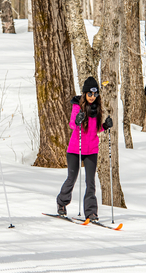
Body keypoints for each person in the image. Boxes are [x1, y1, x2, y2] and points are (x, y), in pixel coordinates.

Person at [56, 76, 113, 221]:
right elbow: (72, 125)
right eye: (90, 94)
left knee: (90, 181)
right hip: (76, 148)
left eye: (95, 94)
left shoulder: (98, 108)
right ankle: (61, 203)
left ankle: (91, 212)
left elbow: (96, 129)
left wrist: (105, 126)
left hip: (91, 150)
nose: (92, 97)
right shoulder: (77, 107)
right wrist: (78, 120)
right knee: (72, 178)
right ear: (84, 94)